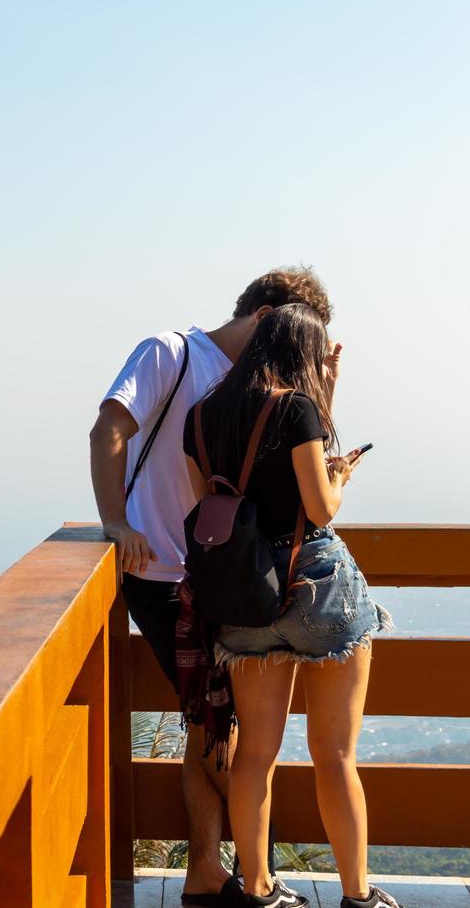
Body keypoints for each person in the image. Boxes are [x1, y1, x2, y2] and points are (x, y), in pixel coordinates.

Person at [90, 268, 332, 906]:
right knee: (223, 731)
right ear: (264, 317)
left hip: (220, 578)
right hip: (166, 574)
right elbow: (107, 429)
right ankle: (250, 878)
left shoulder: (254, 382)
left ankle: (213, 873)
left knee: (212, 726)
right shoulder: (170, 353)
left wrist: (327, 387)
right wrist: (115, 522)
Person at [182, 304, 395, 908]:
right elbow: (321, 508)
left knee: (255, 753)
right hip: (314, 587)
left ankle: (259, 888)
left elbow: (212, 515)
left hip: (244, 597)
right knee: (335, 754)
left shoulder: (201, 417)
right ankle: (357, 894)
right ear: (304, 354)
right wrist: (339, 476)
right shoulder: (295, 409)